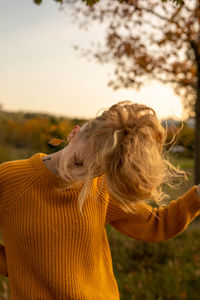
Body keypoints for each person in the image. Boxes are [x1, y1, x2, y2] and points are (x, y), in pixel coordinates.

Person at [0, 100, 200, 300]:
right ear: (73, 134)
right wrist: (14, 264)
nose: (80, 175)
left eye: (96, 170)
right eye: (78, 161)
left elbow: (157, 224)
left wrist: (196, 198)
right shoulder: (10, 178)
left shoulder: (101, 188)